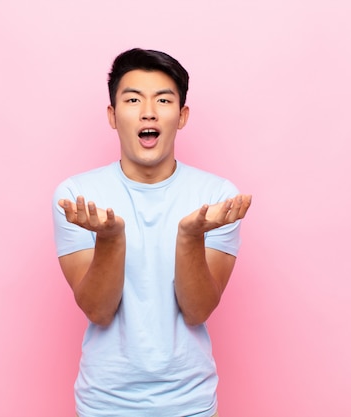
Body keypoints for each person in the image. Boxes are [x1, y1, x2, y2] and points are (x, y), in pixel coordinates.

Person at [52, 48, 252, 417]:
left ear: (182, 115)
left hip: (190, 403)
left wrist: (190, 237)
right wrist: (110, 240)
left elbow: (197, 311)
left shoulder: (217, 198)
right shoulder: (76, 198)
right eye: (132, 99)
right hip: (104, 404)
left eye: (163, 99)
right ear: (113, 116)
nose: (148, 111)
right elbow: (98, 311)